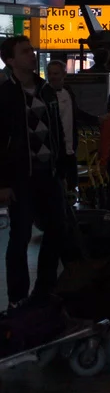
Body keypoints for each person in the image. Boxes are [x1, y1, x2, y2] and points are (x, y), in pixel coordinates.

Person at [0, 36, 72, 305]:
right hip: (22, 177)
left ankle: (44, 290)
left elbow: (57, 131)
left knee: (57, 229)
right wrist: (4, 182)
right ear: (10, 60)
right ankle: (17, 298)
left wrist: (63, 168)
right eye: (25, 51)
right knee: (20, 236)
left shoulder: (45, 91)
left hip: (48, 173)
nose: (32, 54)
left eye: (32, 50)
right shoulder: (6, 95)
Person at [44, 60, 77, 167]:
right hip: (56, 150)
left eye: (56, 73)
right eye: (50, 74)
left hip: (70, 148)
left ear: (64, 74)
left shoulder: (68, 91)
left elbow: (75, 112)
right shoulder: (45, 95)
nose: (52, 77)